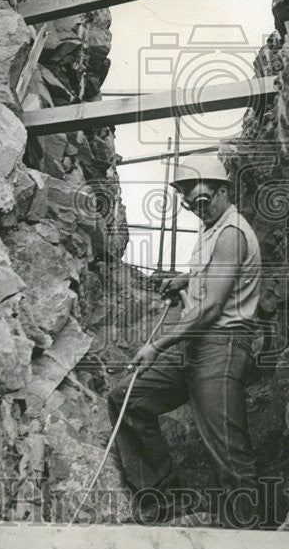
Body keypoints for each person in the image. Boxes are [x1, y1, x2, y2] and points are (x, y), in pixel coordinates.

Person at [108, 154, 263, 527]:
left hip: (222, 346)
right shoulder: (211, 228)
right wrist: (184, 279)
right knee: (127, 399)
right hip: (196, 346)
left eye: (205, 199)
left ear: (223, 191)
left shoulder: (231, 233)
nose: (199, 207)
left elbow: (211, 309)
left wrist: (157, 345)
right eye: (191, 202)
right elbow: (209, 277)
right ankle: (165, 498)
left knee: (227, 449)